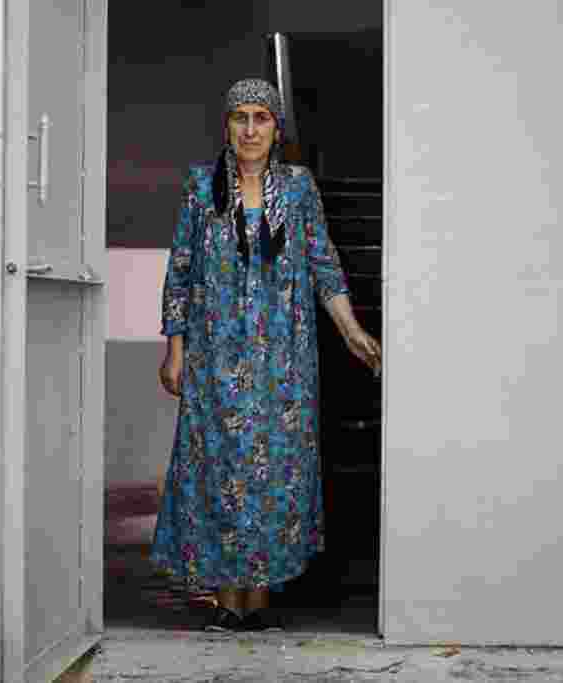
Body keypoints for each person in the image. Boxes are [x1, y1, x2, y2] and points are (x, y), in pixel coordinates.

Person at [151, 78, 382, 633]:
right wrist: (175, 349)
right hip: (214, 359)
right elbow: (180, 269)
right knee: (219, 472)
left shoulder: (298, 189)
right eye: (241, 118)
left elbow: (323, 263)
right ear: (226, 126)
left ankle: (257, 601)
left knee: (274, 474)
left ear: (277, 129)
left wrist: (350, 329)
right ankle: (226, 600)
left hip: (284, 362)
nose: (250, 129)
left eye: (262, 118)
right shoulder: (201, 187)